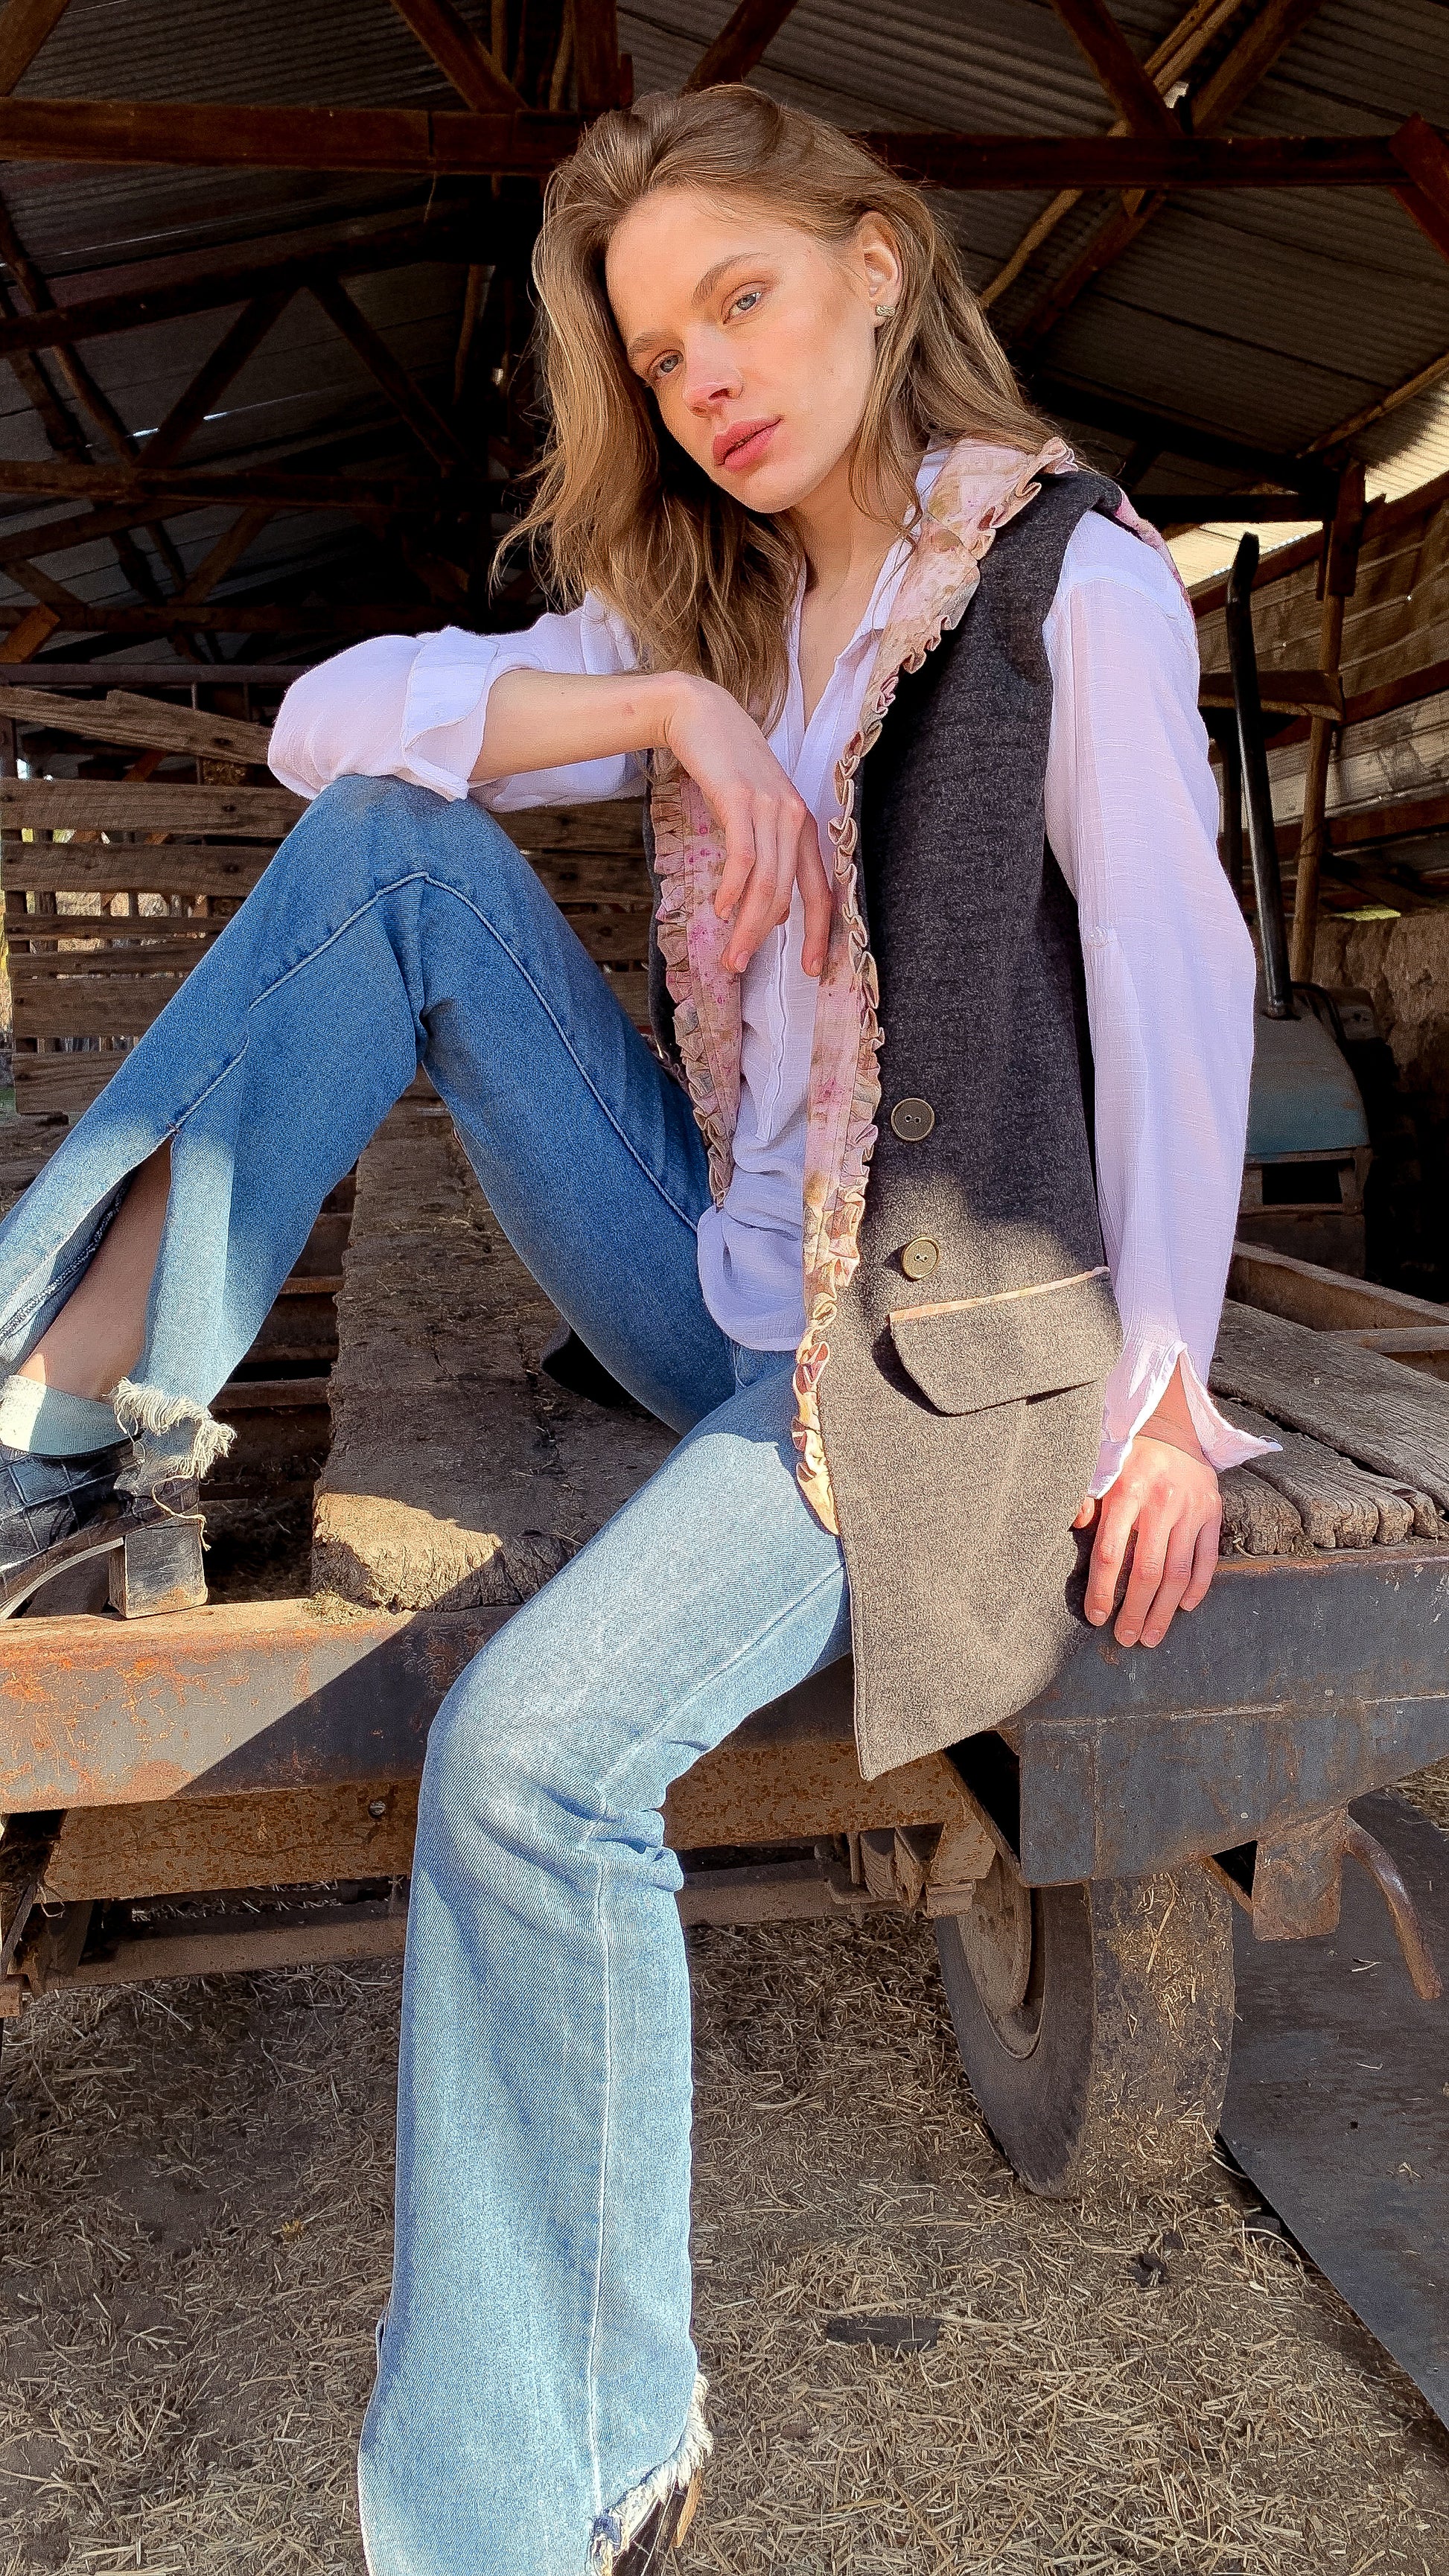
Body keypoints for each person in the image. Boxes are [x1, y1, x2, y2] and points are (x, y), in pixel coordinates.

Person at [0, 87, 1265, 2576]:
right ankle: (58, 1414)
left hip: (927, 1354)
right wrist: (666, 714)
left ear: (878, 264)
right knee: (394, 851)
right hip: (710, 1271)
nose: (708, 382)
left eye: (741, 301)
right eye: (661, 350)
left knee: (526, 1765)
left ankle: (546, 2499)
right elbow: (322, 726)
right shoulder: (702, 608)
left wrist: (1167, 1404)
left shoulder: (1068, 587)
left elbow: (1173, 979)